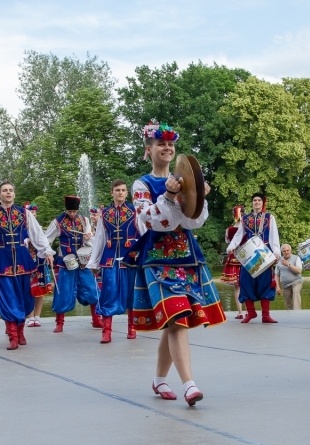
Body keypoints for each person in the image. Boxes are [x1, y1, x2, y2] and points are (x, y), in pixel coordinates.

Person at [125, 121, 226, 406]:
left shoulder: (184, 180)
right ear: (149, 150)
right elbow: (151, 221)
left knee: (174, 323)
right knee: (177, 320)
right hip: (157, 260)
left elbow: (195, 221)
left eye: (170, 144)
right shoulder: (141, 185)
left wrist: (198, 196)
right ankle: (190, 384)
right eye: (160, 144)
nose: (167, 147)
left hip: (187, 257)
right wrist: (168, 196)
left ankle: (158, 379)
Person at [0, 182, 55, 350]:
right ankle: (12, 335)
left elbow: (37, 234)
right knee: (7, 298)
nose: (8, 193)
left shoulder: (24, 213)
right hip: (3, 259)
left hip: (22, 258)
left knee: (25, 298)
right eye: (5, 190)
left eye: (11, 190)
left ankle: (20, 331)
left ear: (14, 193)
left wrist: (47, 251)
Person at [86, 180, 141, 343]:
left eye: (123, 190)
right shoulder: (104, 213)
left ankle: (132, 328)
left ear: (127, 193)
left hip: (130, 257)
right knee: (108, 292)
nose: (120, 193)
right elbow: (100, 238)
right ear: (112, 192)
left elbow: (144, 234)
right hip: (109, 257)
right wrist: (94, 262)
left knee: (131, 292)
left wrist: (145, 256)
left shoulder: (135, 211)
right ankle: (106, 332)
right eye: (117, 190)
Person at [45, 196, 101, 333]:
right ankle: (59, 323)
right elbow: (46, 239)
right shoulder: (58, 222)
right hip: (66, 261)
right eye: (70, 211)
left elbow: (90, 241)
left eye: (74, 211)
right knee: (63, 291)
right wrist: (48, 253)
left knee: (92, 289)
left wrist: (88, 238)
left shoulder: (84, 220)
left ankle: (96, 319)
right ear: (66, 209)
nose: (72, 214)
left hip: (82, 261)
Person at [227, 192, 281, 324]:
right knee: (245, 282)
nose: (256, 202)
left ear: (263, 203)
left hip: (264, 254)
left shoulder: (269, 217)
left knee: (265, 283)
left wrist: (276, 251)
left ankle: (266, 315)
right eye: (254, 200)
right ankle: (250, 312)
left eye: (259, 200)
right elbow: (239, 234)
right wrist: (232, 246)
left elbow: (274, 235)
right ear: (252, 203)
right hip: (250, 254)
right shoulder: (245, 219)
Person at [220, 206, 245, 319]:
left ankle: (240, 312)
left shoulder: (229, 230)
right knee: (246, 285)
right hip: (246, 257)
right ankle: (248, 310)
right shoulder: (247, 228)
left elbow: (228, 242)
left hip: (234, 258)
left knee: (237, 288)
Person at [275, 244, 303, 310]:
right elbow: (276, 274)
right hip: (285, 285)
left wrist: (288, 264)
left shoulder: (296, 258)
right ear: (282, 252)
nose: (286, 252)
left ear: (291, 250)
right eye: (284, 251)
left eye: (288, 250)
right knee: (288, 304)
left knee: (296, 292)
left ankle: (297, 313)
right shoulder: (279, 260)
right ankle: (291, 316)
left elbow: (299, 271)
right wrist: (278, 287)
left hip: (296, 282)